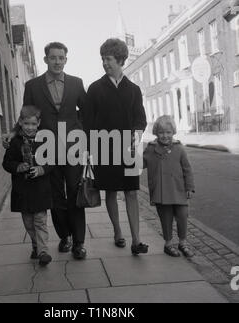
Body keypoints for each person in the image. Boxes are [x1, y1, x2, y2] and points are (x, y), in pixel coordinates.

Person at [3, 42, 87, 260]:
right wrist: (14, 133)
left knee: (75, 193)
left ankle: (79, 242)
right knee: (56, 197)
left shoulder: (77, 84)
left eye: (61, 58)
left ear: (66, 60)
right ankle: (64, 237)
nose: (57, 61)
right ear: (46, 59)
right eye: (53, 57)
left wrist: (84, 136)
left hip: (73, 148)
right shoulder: (32, 86)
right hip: (46, 150)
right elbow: (26, 115)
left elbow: (86, 113)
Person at [85, 38, 149, 255]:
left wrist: (137, 134)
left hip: (130, 150)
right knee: (111, 191)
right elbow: (87, 121)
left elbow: (141, 119)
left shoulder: (134, 90)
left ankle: (137, 240)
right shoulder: (94, 89)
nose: (105, 63)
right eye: (102, 59)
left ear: (120, 60)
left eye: (109, 59)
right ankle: (117, 231)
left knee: (132, 192)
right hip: (103, 148)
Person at [2, 105, 53, 266]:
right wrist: (18, 167)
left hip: (40, 189)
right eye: (26, 124)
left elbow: (52, 161)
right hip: (22, 190)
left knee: (40, 221)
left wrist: (41, 169)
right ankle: (36, 244)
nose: (30, 127)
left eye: (33, 124)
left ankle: (43, 251)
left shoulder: (44, 140)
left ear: (38, 123)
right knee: (29, 223)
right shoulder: (15, 142)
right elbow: (6, 163)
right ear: (20, 123)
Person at [143, 115, 195, 258]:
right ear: (156, 133)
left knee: (182, 215)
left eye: (168, 132)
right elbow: (140, 164)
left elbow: (187, 169)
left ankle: (183, 242)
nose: (165, 136)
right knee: (165, 218)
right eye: (161, 132)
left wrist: (189, 187)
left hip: (179, 189)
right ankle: (168, 243)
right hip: (161, 192)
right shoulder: (151, 149)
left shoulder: (179, 148)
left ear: (173, 133)